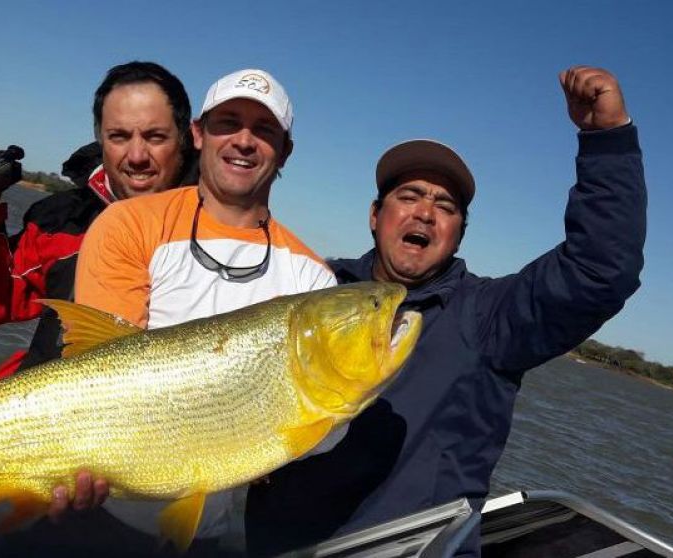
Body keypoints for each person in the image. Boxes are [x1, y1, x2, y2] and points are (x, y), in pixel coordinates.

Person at [245, 66, 646, 557]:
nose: (425, 213)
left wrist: (606, 140)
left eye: (445, 206)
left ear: (458, 232)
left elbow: (601, 269)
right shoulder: (314, 285)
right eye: (408, 196)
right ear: (376, 215)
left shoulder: (489, 318)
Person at [71, 68, 338, 553]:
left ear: (285, 151)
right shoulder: (127, 224)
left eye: (264, 130)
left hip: (207, 536)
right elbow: (100, 372)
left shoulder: (312, 279)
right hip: (99, 515)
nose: (244, 141)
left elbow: (319, 433)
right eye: (228, 123)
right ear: (198, 134)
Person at [0, 61, 198, 383]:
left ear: (187, 138)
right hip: (51, 416)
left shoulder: (224, 231)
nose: (137, 155)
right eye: (119, 136)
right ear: (99, 138)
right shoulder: (60, 220)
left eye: (155, 136)